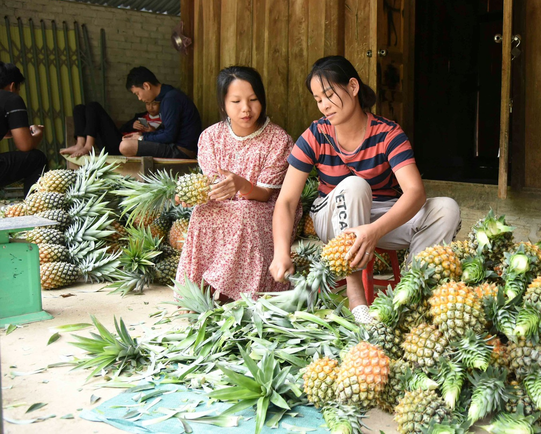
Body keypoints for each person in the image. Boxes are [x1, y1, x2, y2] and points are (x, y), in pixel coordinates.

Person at [270, 56, 461, 324]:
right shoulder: (316, 134)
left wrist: (375, 230)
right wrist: (281, 252)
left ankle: (410, 292)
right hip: (333, 217)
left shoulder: (388, 134)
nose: (324, 105)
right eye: (318, 99)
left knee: (446, 209)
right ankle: (355, 292)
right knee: (355, 185)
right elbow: (287, 201)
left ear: (352, 87)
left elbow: (415, 192)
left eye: (329, 95)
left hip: (380, 219)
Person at [175, 66, 300, 300]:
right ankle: (200, 289)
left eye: (253, 100)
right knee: (201, 213)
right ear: (223, 105)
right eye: (236, 101)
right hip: (225, 204)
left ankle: (234, 293)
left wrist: (242, 185)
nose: (246, 108)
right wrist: (188, 195)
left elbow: (265, 194)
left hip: (266, 207)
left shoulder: (278, 140)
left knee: (244, 212)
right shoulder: (210, 137)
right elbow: (210, 186)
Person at [119, 67, 202, 159]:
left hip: (182, 150)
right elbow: (168, 131)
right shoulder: (167, 97)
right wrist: (142, 135)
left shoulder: (171, 99)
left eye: (137, 93)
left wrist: (141, 138)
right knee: (129, 143)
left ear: (146, 86)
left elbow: (169, 136)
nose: (139, 98)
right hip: (174, 146)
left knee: (125, 146)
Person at [0, 62, 47, 193]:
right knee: (37, 158)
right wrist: (38, 134)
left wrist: (8, 133)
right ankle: (33, 205)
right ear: (12, 86)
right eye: (18, 88)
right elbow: (25, 145)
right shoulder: (11, 99)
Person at [60, 100, 161, 157]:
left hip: (124, 148)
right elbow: (122, 129)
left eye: (154, 104)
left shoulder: (164, 120)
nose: (151, 107)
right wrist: (132, 125)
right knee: (79, 109)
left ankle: (88, 146)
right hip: (119, 139)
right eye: (148, 104)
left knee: (93, 106)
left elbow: (164, 138)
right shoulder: (141, 116)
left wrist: (152, 131)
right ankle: (80, 144)